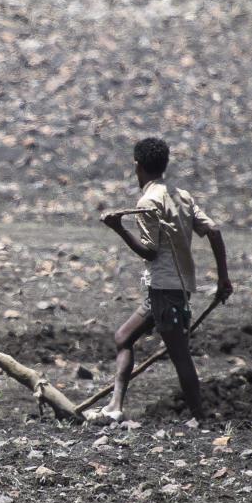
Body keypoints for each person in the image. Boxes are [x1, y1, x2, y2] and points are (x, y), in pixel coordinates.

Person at [95, 137, 231, 422]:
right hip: (169, 291)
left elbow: (150, 250)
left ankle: (200, 418)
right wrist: (223, 280)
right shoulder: (181, 195)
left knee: (180, 356)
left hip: (164, 290)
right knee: (123, 337)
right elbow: (214, 231)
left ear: (137, 166)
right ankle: (115, 407)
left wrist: (118, 228)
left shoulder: (148, 201)